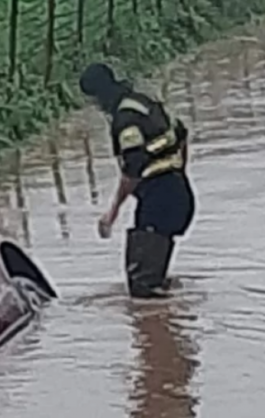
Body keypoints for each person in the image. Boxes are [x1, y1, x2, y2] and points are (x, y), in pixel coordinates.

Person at [79, 62, 195, 298]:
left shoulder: (125, 120)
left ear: (100, 95)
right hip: (179, 193)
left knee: (142, 292)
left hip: (159, 201)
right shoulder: (144, 102)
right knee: (154, 287)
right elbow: (181, 135)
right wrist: (178, 174)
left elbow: (132, 170)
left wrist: (112, 213)